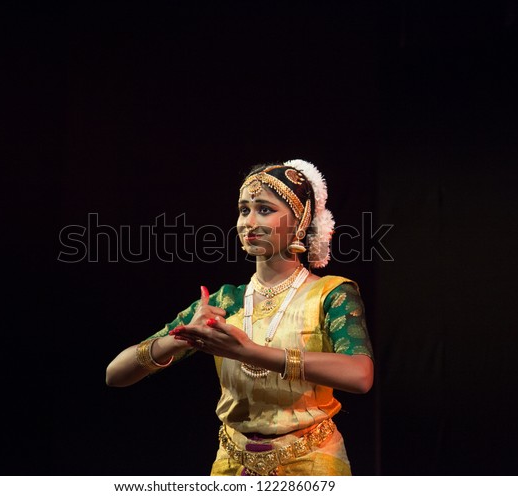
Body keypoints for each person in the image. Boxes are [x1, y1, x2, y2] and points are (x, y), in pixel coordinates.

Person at [106, 159, 374, 476]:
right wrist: (179, 339)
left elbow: (360, 376)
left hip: (312, 463)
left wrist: (249, 352)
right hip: (232, 466)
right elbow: (115, 374)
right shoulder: (226, 301)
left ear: (300, 221)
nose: (248, 221)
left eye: (264, 209)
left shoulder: (331, 294)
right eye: (244, 209)